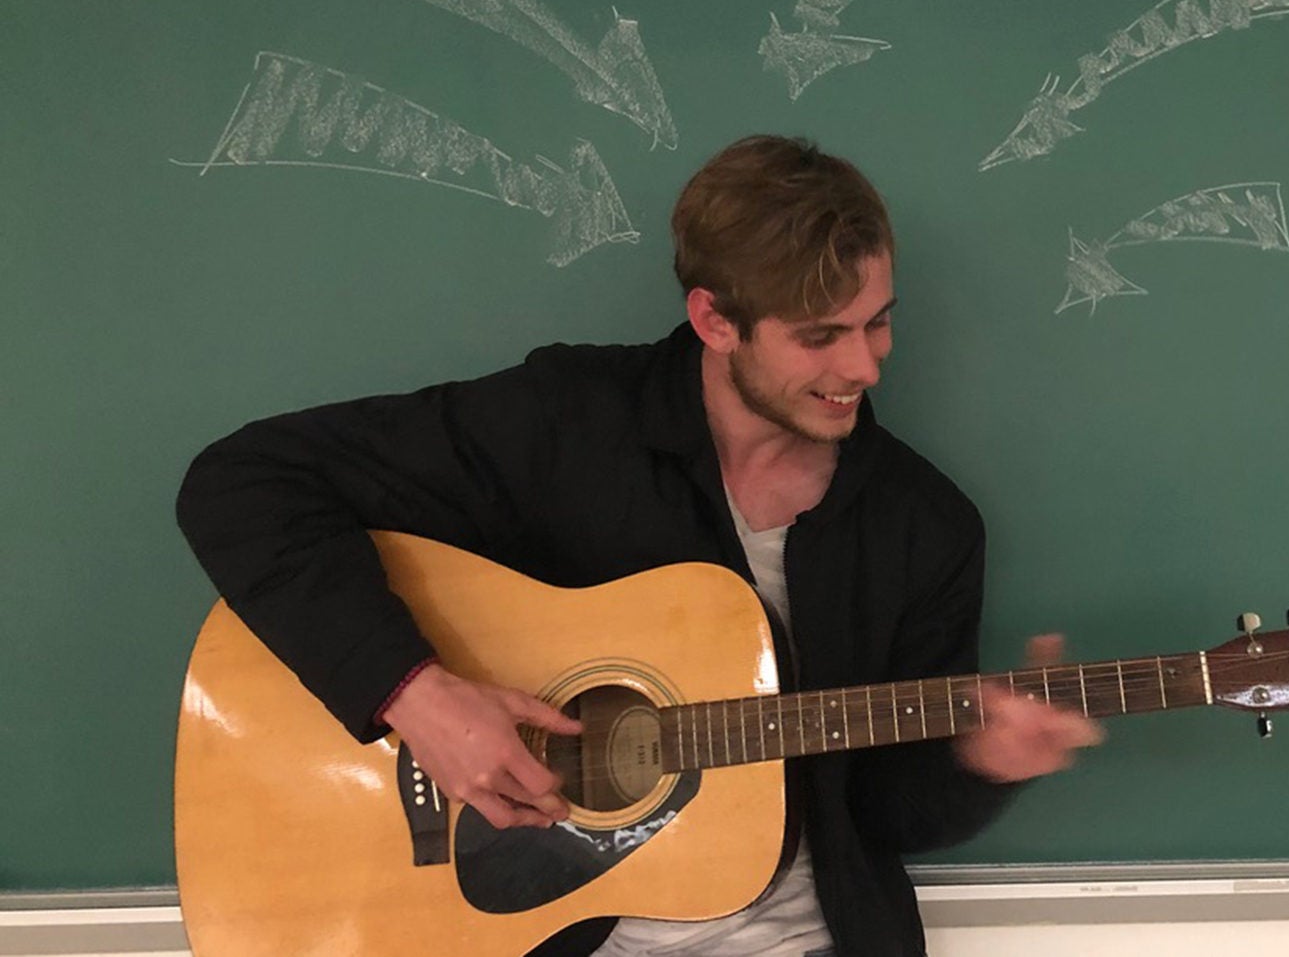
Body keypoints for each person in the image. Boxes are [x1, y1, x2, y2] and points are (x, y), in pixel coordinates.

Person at [175, 134, 1103, 957]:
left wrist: (980, 765)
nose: (863, 366)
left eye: (879, 320)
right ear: (714, 321)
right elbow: (239, 484)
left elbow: (884, 814)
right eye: (821, 336)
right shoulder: (566, 423)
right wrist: (416, 695)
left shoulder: (923, 524)